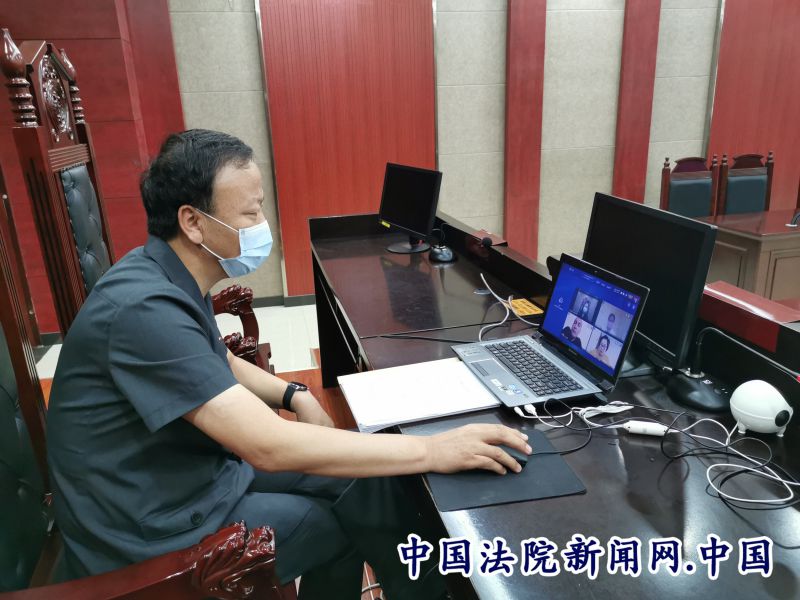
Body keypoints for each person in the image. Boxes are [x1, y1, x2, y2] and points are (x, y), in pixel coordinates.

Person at [46, 130, 530, 600]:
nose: (262, 224)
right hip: (150, 526)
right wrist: (433, 450)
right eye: (251, 212)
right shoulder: (143, 309)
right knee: (335, 527)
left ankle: (428, 590)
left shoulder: (165, 274)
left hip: (188, 476)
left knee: (365, 485)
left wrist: (294, 395)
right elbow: (268, 447)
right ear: (193, 222)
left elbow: (220, 359)